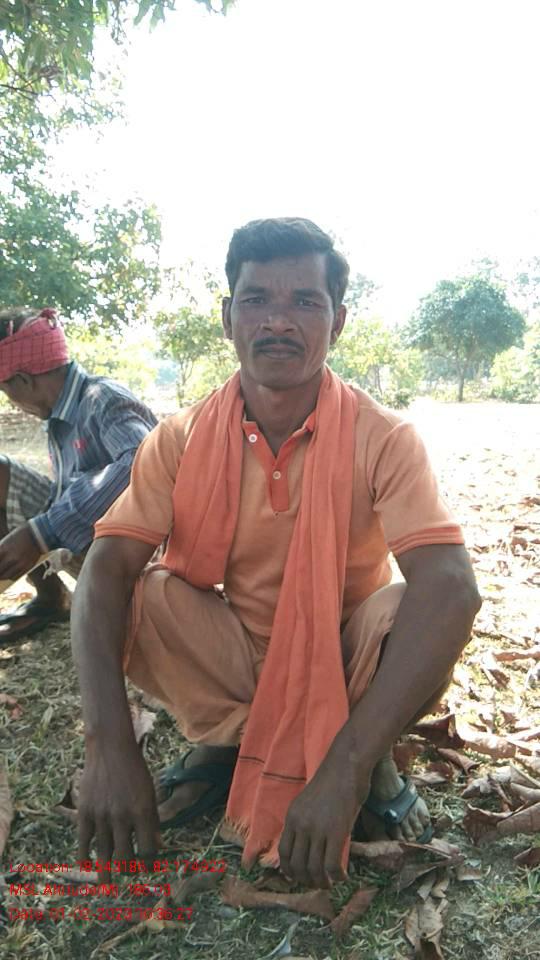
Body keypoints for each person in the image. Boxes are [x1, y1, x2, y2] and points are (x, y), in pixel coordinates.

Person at [71, 218, 481, 889]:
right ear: (228, 317)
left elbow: (454, 587)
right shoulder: (181, 438)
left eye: (305, 302)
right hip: (241, 654)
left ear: (338, 322)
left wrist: (346, 769)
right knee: (142, 589)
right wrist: (109, 746)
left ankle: (365, 752)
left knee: (413, 604)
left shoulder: (383, 437)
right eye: (257, 299)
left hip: (345, 663)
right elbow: (105, 570)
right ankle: (235, 742)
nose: (278, 322)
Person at [0, 306, 157, 643]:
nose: (11, 402)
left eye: (5, 389)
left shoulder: (104, 399)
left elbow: (142, 464)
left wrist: (43, 531)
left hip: (136, 558)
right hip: (87, 542)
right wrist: (39, 530)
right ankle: (51, 599)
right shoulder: (59, 416)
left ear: (24, 380)